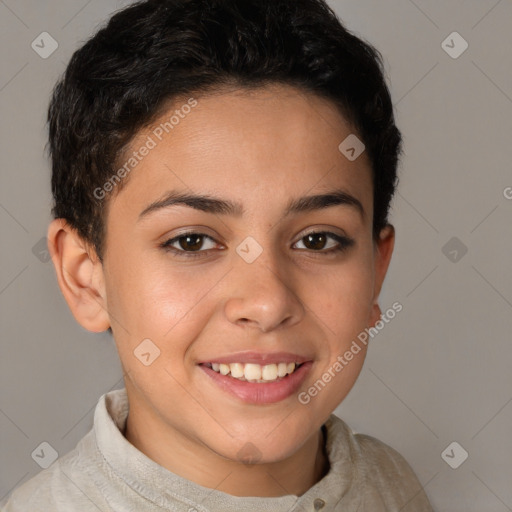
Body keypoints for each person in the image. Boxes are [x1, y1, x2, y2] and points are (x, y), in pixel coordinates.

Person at [1, 0, 434, 510]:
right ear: (86, 278)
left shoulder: (393, 489)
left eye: (317, 240)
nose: (267, 301)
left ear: (375, 269)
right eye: (191, 241)